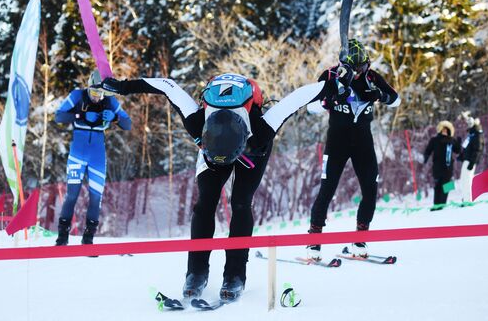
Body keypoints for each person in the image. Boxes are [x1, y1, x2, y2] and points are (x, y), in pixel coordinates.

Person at [96, 71, 339, 300]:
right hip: (211, 147)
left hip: (251, 151)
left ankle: (235, 276)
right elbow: (167, 86)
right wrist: (121, 87)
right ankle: (196, 272)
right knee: (205, 203)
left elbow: (297, 97)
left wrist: (334, 84)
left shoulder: (262, 129)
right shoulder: (196, 122)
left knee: (241, 203)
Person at [307, 39, 401, 261]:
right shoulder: (331, 76)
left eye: (363, 66)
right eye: (356, 68)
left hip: (363, 143)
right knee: (327, 189)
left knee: (370, 187)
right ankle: (314, 241)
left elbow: (395, 100)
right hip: (336, 142)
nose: (360, 72)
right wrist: (328, 99)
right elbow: (311, 107)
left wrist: (379, 94)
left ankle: (360, 238)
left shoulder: (371, 77)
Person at [54, 70, 131, 246]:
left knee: (96, 197)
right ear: (88, 87)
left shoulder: (110, 101)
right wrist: (79, 115)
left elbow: (128, 124)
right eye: (94, 92)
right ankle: (62, 237)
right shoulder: (77, 95)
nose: (97, 97)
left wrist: (115, 118)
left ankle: (88, 238)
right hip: (78, 153)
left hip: (97, 155)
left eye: (101, 93)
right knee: (72, 195)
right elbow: (59, 116)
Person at [423, 120, 462, 211]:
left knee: (447, 186)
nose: (445, 131)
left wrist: (459, 142)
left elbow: (457, 151)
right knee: (437, 186)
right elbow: (428, 150)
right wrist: (425, 158)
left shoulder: (451, 140)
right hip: (437, 167)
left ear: (449, 131)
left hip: (448, 168)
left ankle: (443, 205)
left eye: (446, 130)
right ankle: (436, 205)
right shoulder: (434, 140)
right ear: (440, 130)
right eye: (443, 129)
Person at [458, 112, 483, 203]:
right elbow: (467, 148)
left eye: (470, 123)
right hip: (467, 160)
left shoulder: (477, 134)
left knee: (467, 180)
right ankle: (465, 198)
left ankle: (468, 199)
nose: (468, 126)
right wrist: (462, 156)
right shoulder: (471, 135)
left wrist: (473, 162)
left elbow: (478, 149)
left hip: (470, 161)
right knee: (463, 179)